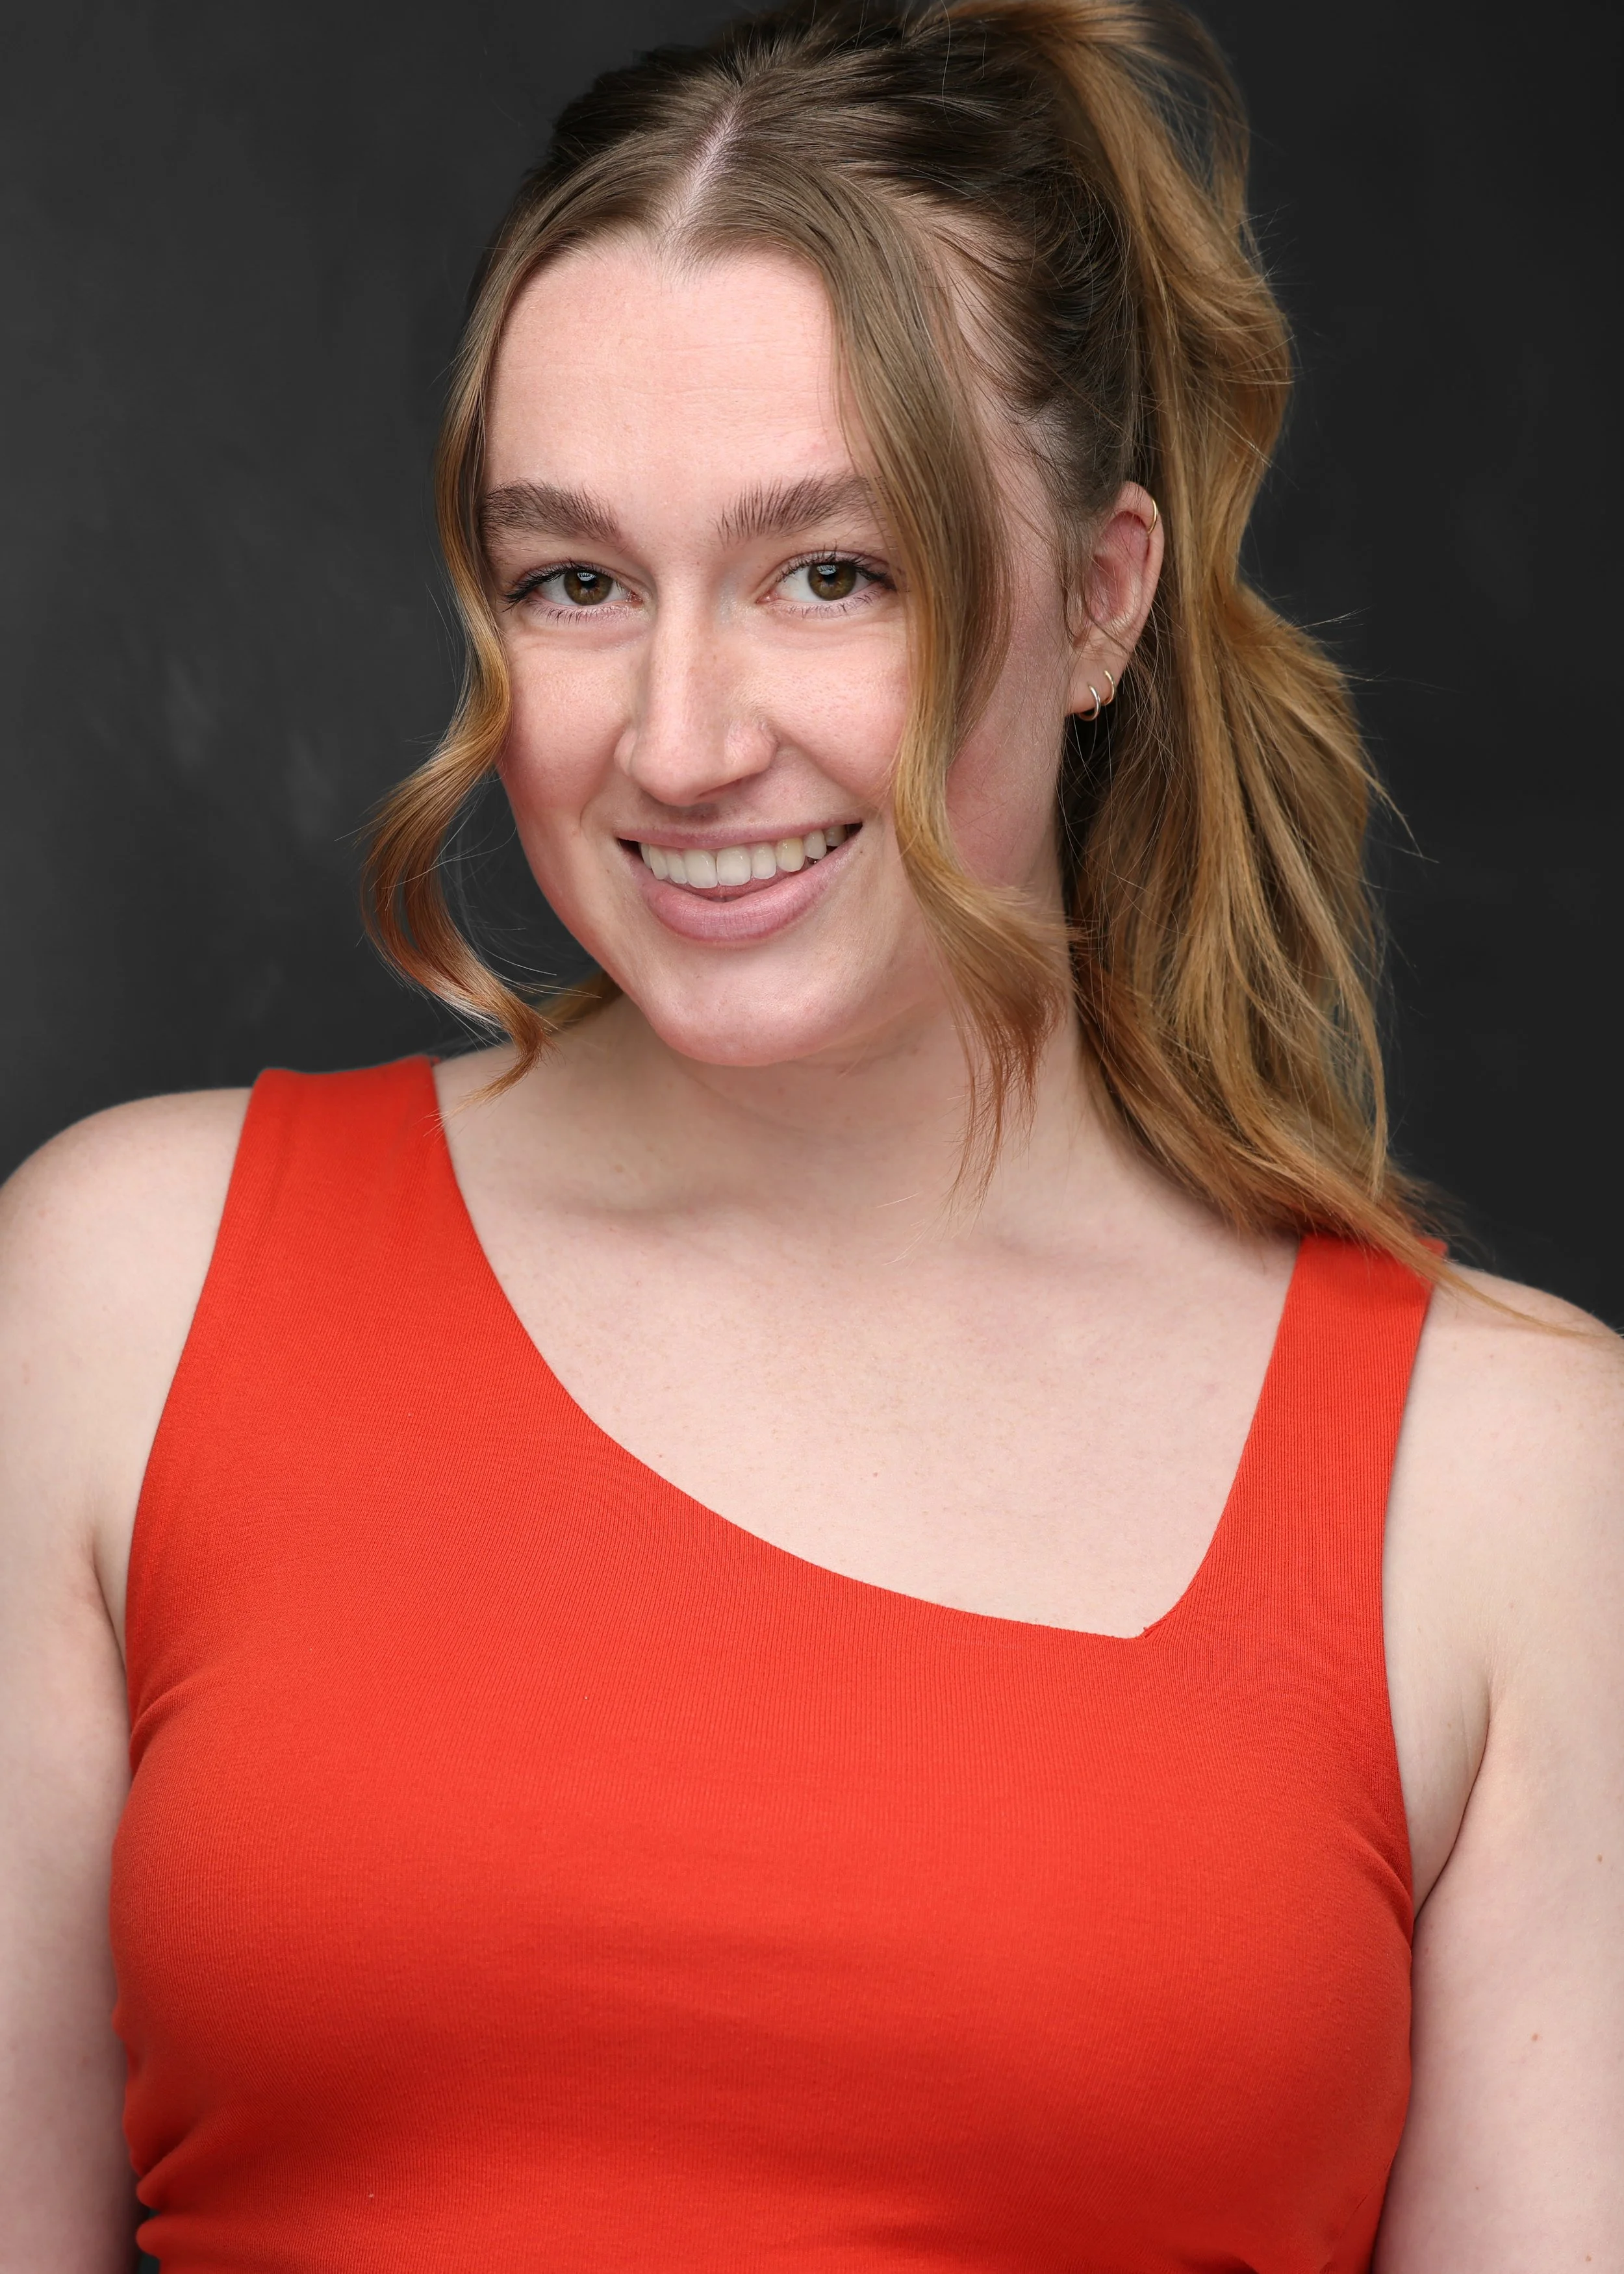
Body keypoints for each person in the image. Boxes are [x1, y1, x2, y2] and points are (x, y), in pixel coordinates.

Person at [2, 0, 1619, 2266]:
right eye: (575, 580)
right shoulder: (124, 1291)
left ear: (1101, 601)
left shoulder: (1509, 1476)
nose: (678, 741)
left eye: (829, 571)